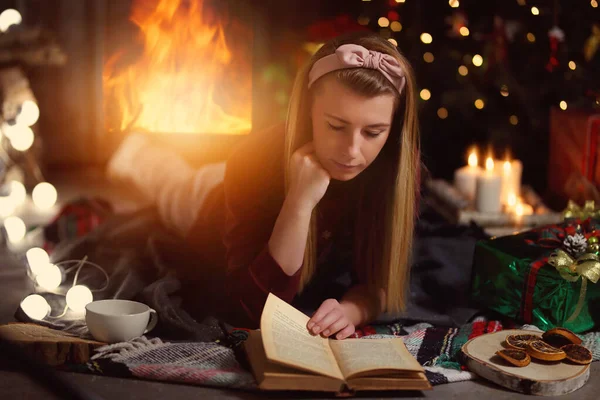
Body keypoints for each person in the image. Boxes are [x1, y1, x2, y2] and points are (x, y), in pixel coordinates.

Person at [108, 32, 420, 340]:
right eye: (336, 126)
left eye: (373, 132)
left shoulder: (398, 171)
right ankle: (137, 153)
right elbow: (254, 310)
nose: (352, 150)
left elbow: (378, 282)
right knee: (172, 184)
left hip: (239, 177)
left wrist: (350, 311)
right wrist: (299, 200)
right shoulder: (251, 160)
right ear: (308, 110)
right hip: (211, 199)